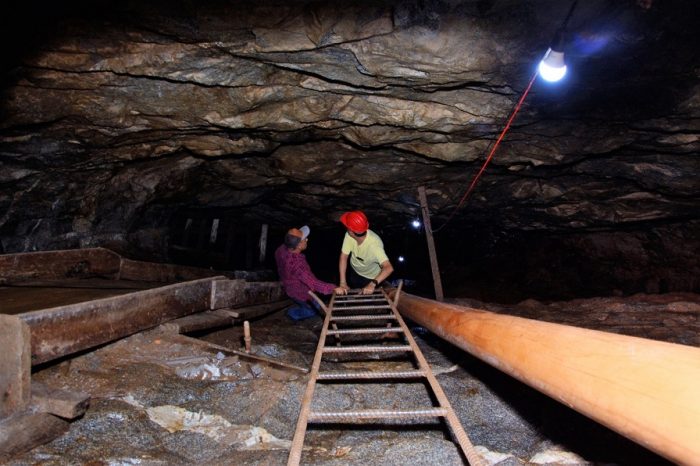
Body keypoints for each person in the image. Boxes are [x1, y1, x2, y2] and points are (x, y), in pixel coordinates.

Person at [275, 225, 346, 320]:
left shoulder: (281, 249)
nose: (307, 239)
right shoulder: (297, 264)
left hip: (286, 282)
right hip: (298, 291)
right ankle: (291, 314)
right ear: (299, 245)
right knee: (314, 310)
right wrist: (334, 288)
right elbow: (314, 283)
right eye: (305, 239)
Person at [338, 211, 394, 295]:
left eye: (347, 227)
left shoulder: (374, 245)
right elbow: (344, 257)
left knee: (370, 298)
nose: (346, 228)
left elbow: (389, 268)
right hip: (355, 272)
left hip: (371, 277)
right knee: (356, 291)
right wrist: (343, 283)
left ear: (352, 231)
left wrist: (372, 284)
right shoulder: (349, 235)